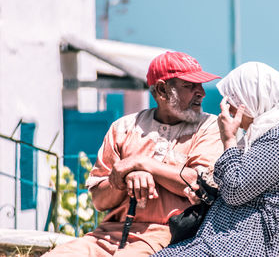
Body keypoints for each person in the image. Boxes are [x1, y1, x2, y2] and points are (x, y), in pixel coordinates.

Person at [44, 51, 223, 256]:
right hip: (108, 234)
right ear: (162, 90)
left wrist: (142, 163)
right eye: (189, 85)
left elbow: (198, 184)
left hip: (169, 236)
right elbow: (100, 201)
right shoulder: (123, 128)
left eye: (200, 85)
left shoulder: (209, 127)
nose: (201, 92)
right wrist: (126, 177)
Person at [153, 62, 279, 256]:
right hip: (239, 237)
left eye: (233, 99)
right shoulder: (265, 133)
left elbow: (235, 190)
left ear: (251, 98)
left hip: (261, 241)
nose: (227, 106)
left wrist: (229, 139)